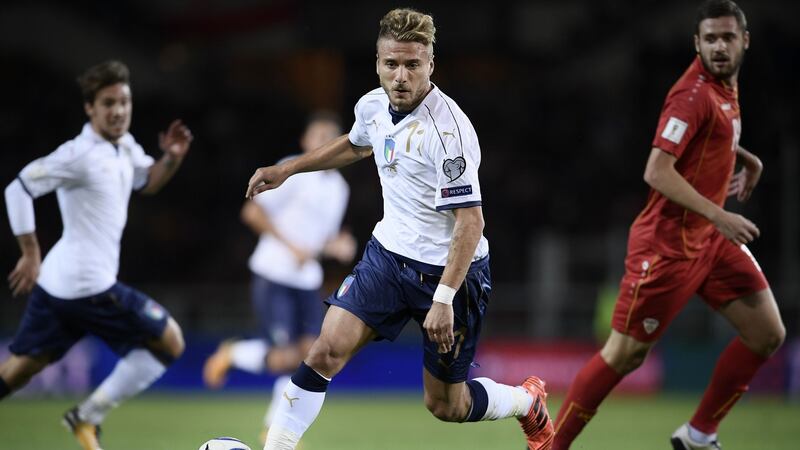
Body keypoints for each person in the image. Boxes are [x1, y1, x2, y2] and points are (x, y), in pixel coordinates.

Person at [246, 8, 554, 450]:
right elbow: (354, 145)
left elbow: (471, 221)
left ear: (431, 64)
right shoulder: (372, 105)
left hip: (451, 275)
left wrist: (444, 298)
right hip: (388, 258)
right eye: (392, 64)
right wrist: (289, 170)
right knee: (323, 352)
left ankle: (527, 402)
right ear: (377, 63)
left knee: (447, 405)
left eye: (413, 64)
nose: (401, 76)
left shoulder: (449, 134)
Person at [552, 2, 786, 449]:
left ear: (744, 41)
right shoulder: (694, 94)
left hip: (708, 242)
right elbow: (657, 169)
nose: (719, 47)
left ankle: (699, 435)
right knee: (624, 355)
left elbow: (711, 138)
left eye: (727, 37)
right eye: (710, 39)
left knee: (767, 333)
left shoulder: (723, 89)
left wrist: (745, 157)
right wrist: (720, 214)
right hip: (668, 246)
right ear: (696, 44)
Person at [1, 60, 193, 450]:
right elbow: (17, 189)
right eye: (108, 103)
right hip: (88, 287)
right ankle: (86, 416)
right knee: (170, 342)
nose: (119, 110)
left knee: (16, 374)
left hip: (58, 286)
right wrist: (29, 252)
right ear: (90, 108)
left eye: (124, 101)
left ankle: (86, 417)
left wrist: (171, 158)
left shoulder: (124, 147)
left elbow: (147, 181)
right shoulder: (78, 154)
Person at [203, 112, 356, 442]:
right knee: (286, 357)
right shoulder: (293, 169)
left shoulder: (339, 189)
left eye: (331, 137)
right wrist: (291, 246)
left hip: (307, 279)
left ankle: (273, 430)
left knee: (308, 356)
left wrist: (337, 245)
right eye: (318, 136)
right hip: (274, 272)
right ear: (305, 142)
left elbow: (321, 238)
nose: (324, 142)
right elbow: (252, 211)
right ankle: (233, 355)